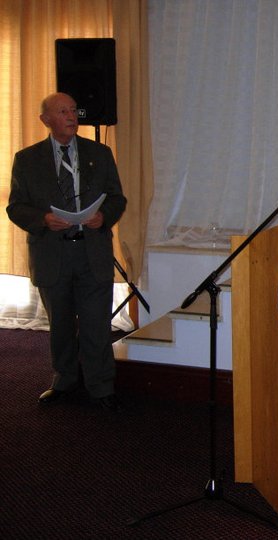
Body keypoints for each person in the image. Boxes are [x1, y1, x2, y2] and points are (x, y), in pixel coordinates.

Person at [7, 92, 127, 411]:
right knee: (60, 324)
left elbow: (117, 198)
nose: (72, 116)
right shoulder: (27, 159)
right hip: (52, 254)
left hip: (91, 252)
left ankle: (101, 386)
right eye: (63, 111)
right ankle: (64, 380)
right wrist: (43, 220)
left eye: (73, 110)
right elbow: (16, 207)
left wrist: (104, 217)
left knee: (96, 324)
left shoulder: (99, 153)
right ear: (46, 119)